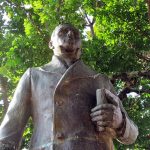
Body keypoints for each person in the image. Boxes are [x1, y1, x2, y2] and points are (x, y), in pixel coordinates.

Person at [0, 24, 138, 150]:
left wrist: (119, 121)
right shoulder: (34, 76)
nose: (71, 35)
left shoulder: (100, 79)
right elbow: (8, 135)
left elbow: (132, 135)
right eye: (63, 32)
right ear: (50, 43)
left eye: (76, 34)